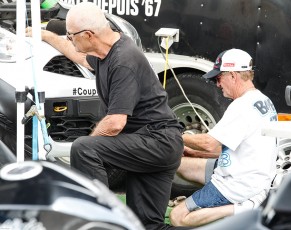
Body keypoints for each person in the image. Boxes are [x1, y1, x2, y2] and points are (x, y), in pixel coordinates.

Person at [26, 2, 186, 230]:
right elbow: (78, 56)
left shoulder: (123, 60)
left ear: (89, 35)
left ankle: (99, 221)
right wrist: (46, 35)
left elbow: (114, 123)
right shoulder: (106, 49)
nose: (69, 39)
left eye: (71, 35)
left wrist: (92, 141)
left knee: (84, 149)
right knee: (148, 225)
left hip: (157, 143)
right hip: (155, 143)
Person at [169, 48, 278, 227]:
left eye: (219, 78)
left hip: (237, 186)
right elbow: (238, 147)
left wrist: (175, 136)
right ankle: (244, 204)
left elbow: (209, 143)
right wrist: (197, 154)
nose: (218, 84)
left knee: (177, 216)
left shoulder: (241, 106)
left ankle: (240, 209)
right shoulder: (263, 100)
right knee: (181, 165)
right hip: (254, 178)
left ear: (233, 76)